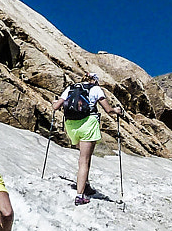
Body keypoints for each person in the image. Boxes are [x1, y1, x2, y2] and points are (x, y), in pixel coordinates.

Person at [54, 72, 126, 205]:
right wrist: (116, 111)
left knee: (83, 157)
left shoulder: (70, 88)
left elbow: (55, 106)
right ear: (95, 80)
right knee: (84, 160)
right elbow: (108, 109)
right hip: (88, 124)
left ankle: (85, 184)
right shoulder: (95, 89)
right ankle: (80, 195)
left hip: (71, 126)